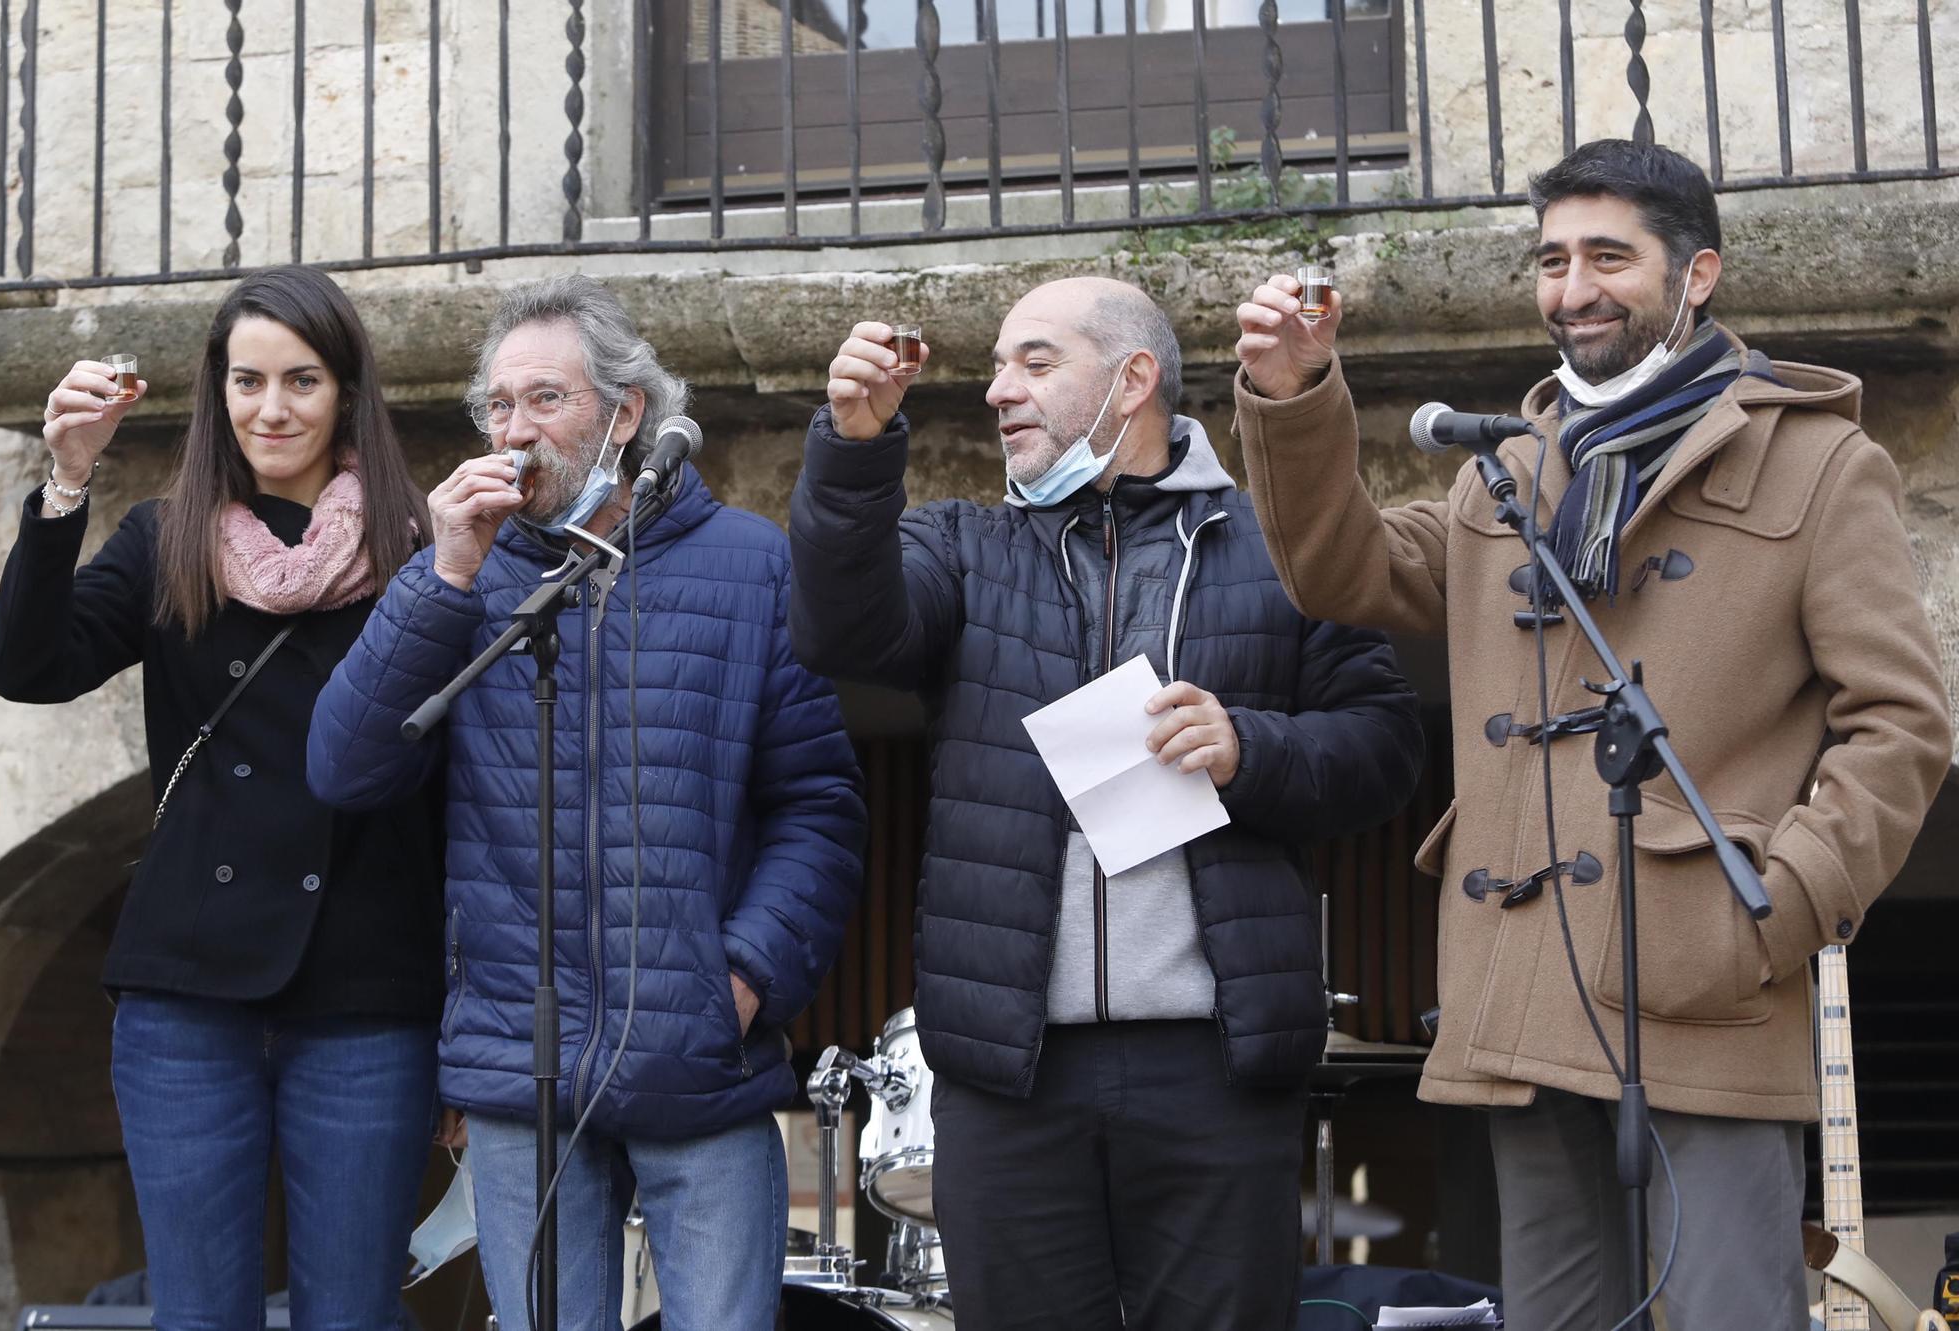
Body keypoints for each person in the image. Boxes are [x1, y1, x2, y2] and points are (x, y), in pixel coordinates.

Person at [1232, 139, 1953, 1329]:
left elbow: (1901, 723)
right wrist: (1297, 395)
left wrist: (1775, 901)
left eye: (1608, 256)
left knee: (1730, 1313)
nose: (1573, 289)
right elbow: (1335, 566)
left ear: (1696, 273)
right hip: (1526, 987)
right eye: (1552, 259)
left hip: (1704, 980)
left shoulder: (1820, 464)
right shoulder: (1503, 473)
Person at [787, 277, 1425, 1330]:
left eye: (1034, 363)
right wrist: (854, 451)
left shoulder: (1281, 545)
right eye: (996, 366)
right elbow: (841, 636)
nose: (997, 390)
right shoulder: (959, 545)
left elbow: (1384, 750)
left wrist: (1246, 747)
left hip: (1212, 1065)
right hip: (1007, 1072)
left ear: (1133, 381)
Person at [306, 274, 867, 1331]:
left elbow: (818, 806)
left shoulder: (752, 566)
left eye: (545, 400)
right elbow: (347, 769)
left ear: (625, 413)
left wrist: (740, 979)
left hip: (701, 1060)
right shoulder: (459, 581)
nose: (515, 431)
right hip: (519, 1075)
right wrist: (444, 573)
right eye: (498, 405)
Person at [0, 265, 445, 1329]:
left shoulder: (423, 548)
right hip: (187, 996)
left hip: (366, 989)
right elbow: (26, 664)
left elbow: (455, 791)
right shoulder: (166, 536)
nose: (270, 408)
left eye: (300, 380)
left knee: (355, 1314)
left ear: (346, 393)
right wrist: (65, 482)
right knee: (197, 1314)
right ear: (217, 392)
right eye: (246, 381)